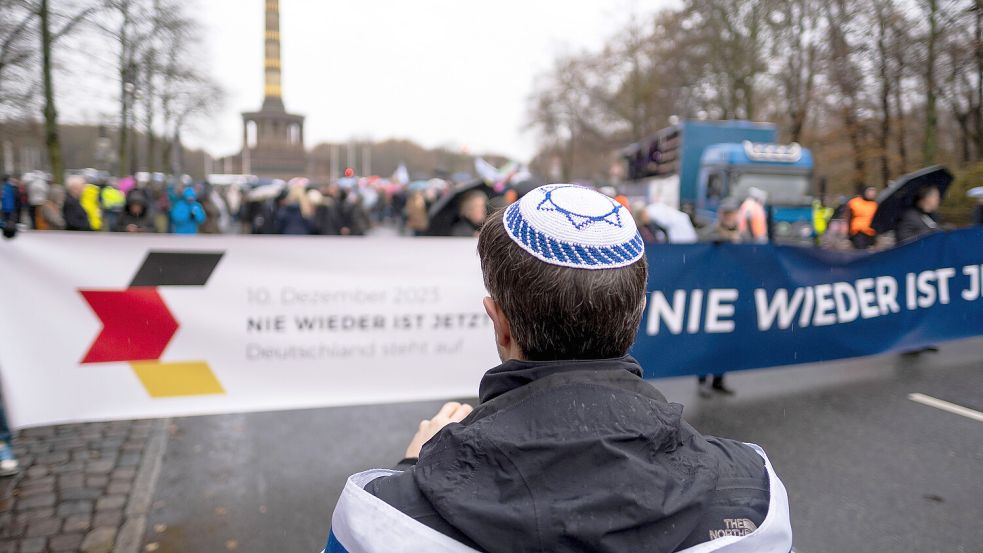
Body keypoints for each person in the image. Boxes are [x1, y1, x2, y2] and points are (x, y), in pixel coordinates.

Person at [323, 184, 792, 553]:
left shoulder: (380, 520)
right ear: (638, 313)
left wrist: (411, 474)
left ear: (499, 322)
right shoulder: (753, 494)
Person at [695, 200, 743, 396]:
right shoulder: (710, 234)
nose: (730, 218)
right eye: (727, 214)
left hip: (732, 291)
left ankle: (719, 380)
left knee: (724, 340)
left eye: (733, 215)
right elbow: (698, 252)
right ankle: (701, 380)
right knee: (708, 339)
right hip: (712, 292)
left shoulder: (742, 235)